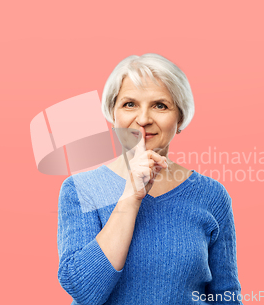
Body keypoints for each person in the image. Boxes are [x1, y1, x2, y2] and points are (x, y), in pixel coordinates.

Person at [57, 53, 243, 304]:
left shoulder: (211, 195)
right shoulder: (81, 189)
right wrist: (130, 198)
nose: (143, 119)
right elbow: (83, 290)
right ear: (113, 115)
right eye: (129, 104)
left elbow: (226, 295)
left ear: (180, 119)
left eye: (160, 105)